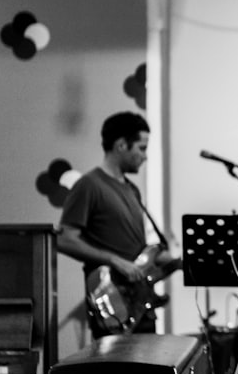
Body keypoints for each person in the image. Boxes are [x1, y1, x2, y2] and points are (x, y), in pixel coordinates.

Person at [57, 111, 177, 339]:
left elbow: (137, 253)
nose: (145, 156)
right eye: (141, 148)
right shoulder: (89, 185)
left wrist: (175, 262)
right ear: (121, 145)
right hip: (113, 304)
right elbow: (64, 239)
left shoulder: (132, 189)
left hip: (141, 304)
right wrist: (114, 260)